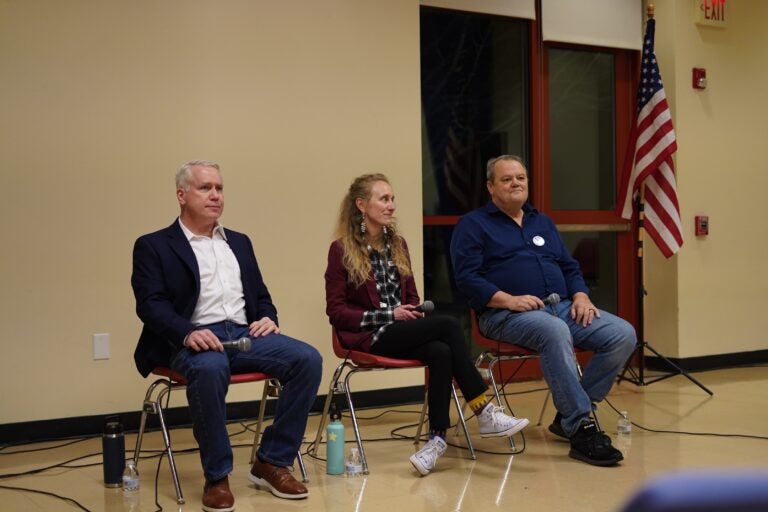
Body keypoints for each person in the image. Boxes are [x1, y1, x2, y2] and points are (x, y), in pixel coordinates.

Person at [131, 160, 322, 511]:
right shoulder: (154, 245)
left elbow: (260, 295)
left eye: (219, 188)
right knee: (209, 367)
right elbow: (151, 305)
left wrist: (268, 316)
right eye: (205, 188)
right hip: (190, 338)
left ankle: (272, 461)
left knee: (308, 359)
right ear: (181, 195)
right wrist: (188, 332)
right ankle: (217, 476)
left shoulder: (239, 242)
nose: (215, 195)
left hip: (244, 333)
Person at [324, 173, 529, 476]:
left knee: (440, 352)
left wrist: (412, 312)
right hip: (368, 335)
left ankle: (437, 440)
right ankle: (483, 409)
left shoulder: (399, 245)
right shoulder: (341, 250)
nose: (391, 206)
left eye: (392, 199)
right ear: (361, 205)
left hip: (401, 330)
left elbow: (413, 299)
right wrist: (389, 315)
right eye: (384, 199)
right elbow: (337, 312)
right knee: (447, 326)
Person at [450, 155, 637, 467]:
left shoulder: (542, 222)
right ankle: (581, 428)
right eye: (507, 179)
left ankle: (569, 414)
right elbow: (466, 278)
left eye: (520, 178)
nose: (515, 183)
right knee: (555, 331)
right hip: (504, 315)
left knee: (622, 334)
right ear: (490, 187)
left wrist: (580, 295)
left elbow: (568, 265)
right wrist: (508, 300)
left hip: (561, 307)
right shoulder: (473, 225)